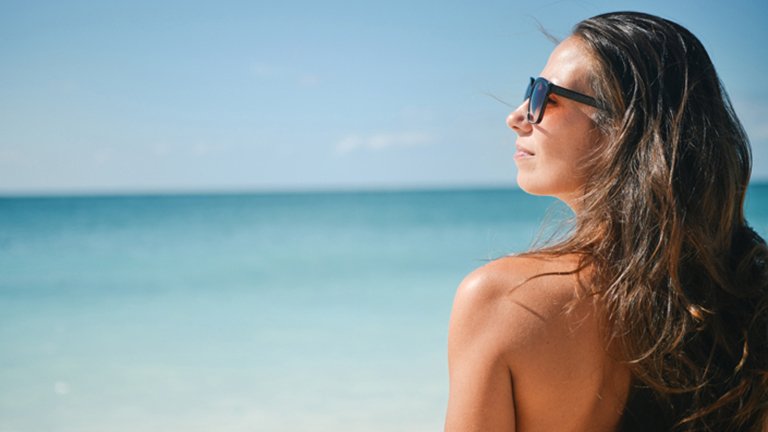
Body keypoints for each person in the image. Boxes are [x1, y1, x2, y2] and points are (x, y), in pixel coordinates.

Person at [445, 11, 768, 432]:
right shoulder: (749, 295)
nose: (518, 116)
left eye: (545, 95)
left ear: (623, 127)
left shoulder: (502, 301)